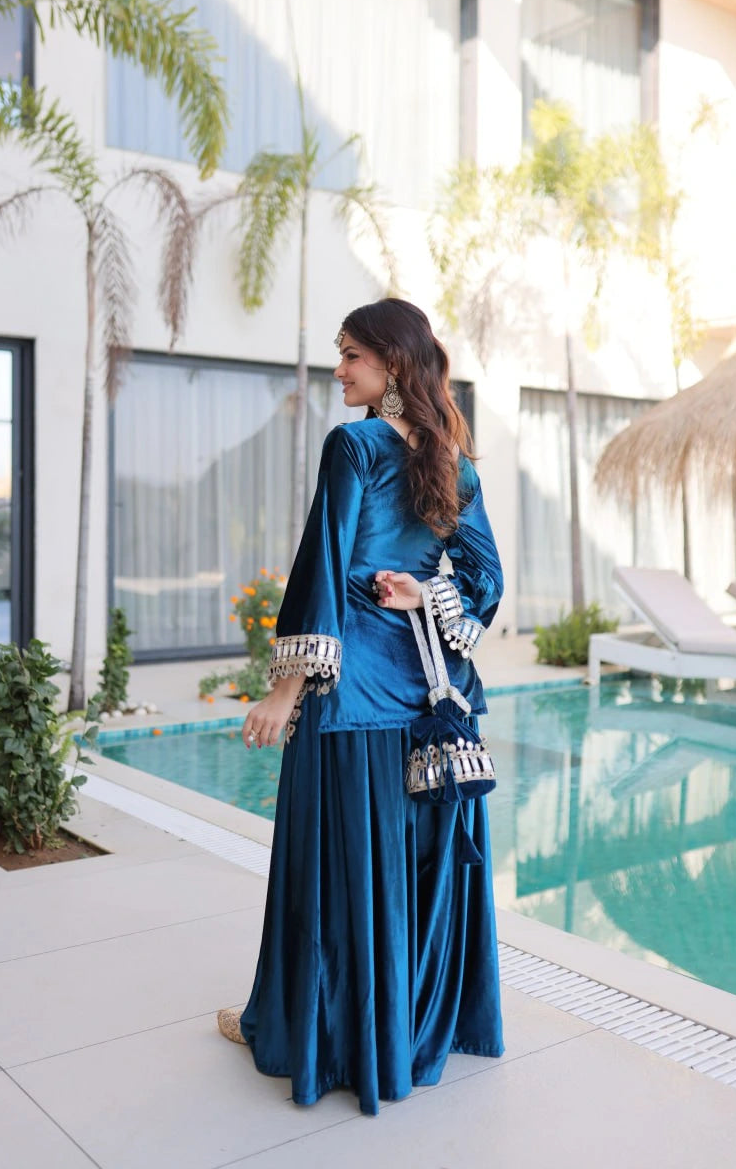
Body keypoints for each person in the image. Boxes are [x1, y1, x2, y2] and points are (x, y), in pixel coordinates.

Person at [217, 298, 504, 1116]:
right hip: (434, 701)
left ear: (393, 363)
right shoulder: (453, 461)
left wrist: (283, 690)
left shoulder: (354, 444)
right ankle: (405, 1030)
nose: (339, 371)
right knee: (413, 873)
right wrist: (429, 593)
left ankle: (317, 1033)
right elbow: (484, 581)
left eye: (351, 356)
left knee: (336, 875)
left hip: (351, 701)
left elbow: (323, 560)